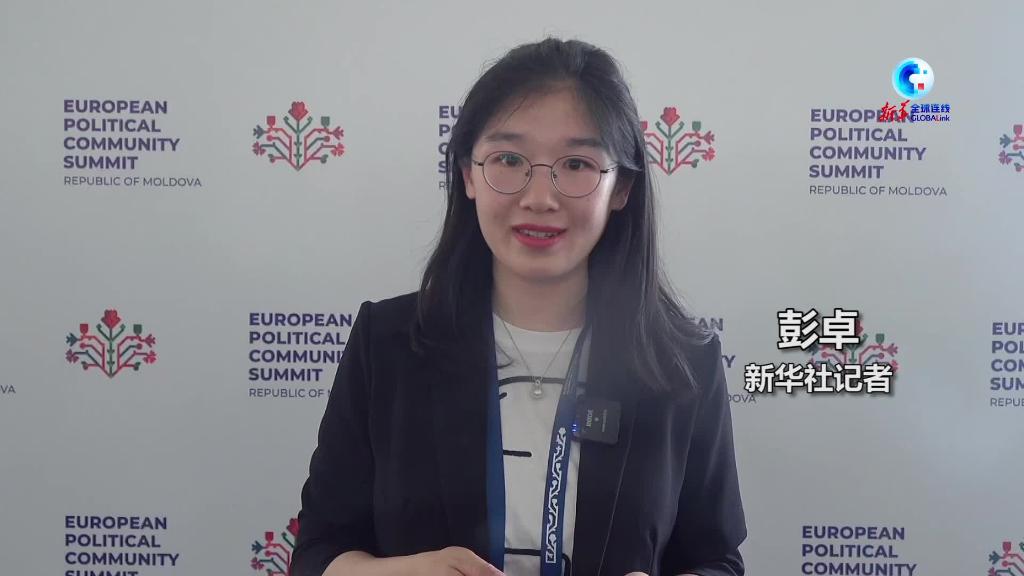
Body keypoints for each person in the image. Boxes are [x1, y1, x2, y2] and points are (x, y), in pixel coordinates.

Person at [291, 37, 746, 576]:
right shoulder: (387, 343)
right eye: (509, 160)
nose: (539, 198)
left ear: (621, 187)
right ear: (469, 174)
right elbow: (318, 551)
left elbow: (717, 559)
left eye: (575, 164)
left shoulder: (682, 360)